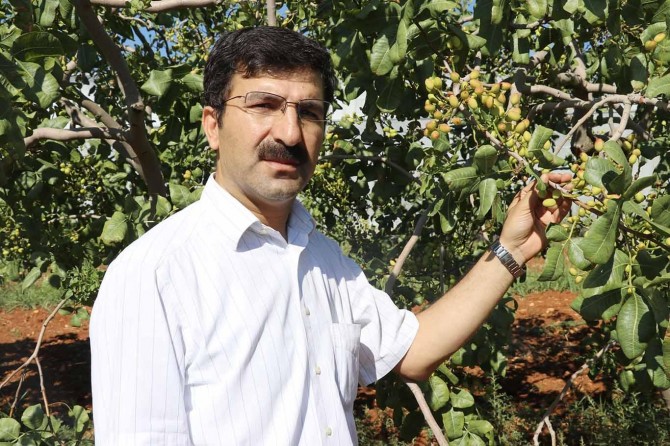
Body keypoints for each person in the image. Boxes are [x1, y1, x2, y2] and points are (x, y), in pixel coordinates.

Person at [90, 26, 571, 445]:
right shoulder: (153, 276)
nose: (290, 133)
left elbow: (412, 351)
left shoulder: (322, 258)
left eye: (309, 112)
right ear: (212, 126)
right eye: (263, 105)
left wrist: (511, 248)